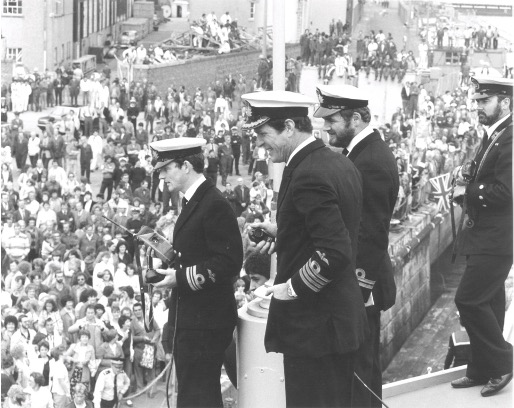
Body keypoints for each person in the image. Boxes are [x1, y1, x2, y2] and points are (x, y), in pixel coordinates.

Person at [242, 90, 367, 407]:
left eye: (264, 135)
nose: (260, 145)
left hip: (315, 329)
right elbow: (335, 232)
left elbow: (335, 251)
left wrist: (291, 288)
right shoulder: (337, 163)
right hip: (335, 324)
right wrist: (284, 232)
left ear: (287, 126)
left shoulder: (307, 174)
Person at [314, 84, 399, 407]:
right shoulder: (362, 153)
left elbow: (371, 232)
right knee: (358, 368)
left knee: (360, 369)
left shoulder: (371, 161)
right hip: (360, 282)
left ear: (357, 119)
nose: (325, 128)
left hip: (364, 285)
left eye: (332, 120)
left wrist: (359, 288)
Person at [149, 137, 243, 407]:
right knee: (193, 395)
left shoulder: (213, 203)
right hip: (195, 319)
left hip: (206, 324)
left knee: (199, 397)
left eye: (166, 169)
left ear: (186, 165)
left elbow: (228, 262)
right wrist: (170, 264)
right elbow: (199, 253)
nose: (162, 176)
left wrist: (179, 278)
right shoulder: (194, 201)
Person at [451, 77, 513, 397]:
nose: (477, 106)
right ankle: (480, 368)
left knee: (468, 300)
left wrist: (468, 190)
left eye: (484, 101)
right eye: (476, 101)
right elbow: (491, 173)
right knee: (489, 302)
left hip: (497, 239)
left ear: (504, 102)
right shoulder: (496, 134)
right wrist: (469, 171)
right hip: (485, 237)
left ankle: (502, 362)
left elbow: (506, 191)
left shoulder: (511, 137)